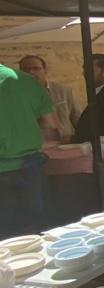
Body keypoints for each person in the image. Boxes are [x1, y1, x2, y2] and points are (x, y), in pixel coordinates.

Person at [0, 63, 56, 237]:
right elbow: (51, 123)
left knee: (6, 237)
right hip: (29, 168)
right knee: (35, 229)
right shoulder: (26, 81)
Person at [18, 55, 79, 142]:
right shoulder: (15, 95)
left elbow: (78, 120)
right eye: (26, 69)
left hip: (64, 145)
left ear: (45, 70)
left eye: (36, 68)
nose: (31, 72)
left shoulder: (64, 91)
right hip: (32, 147)